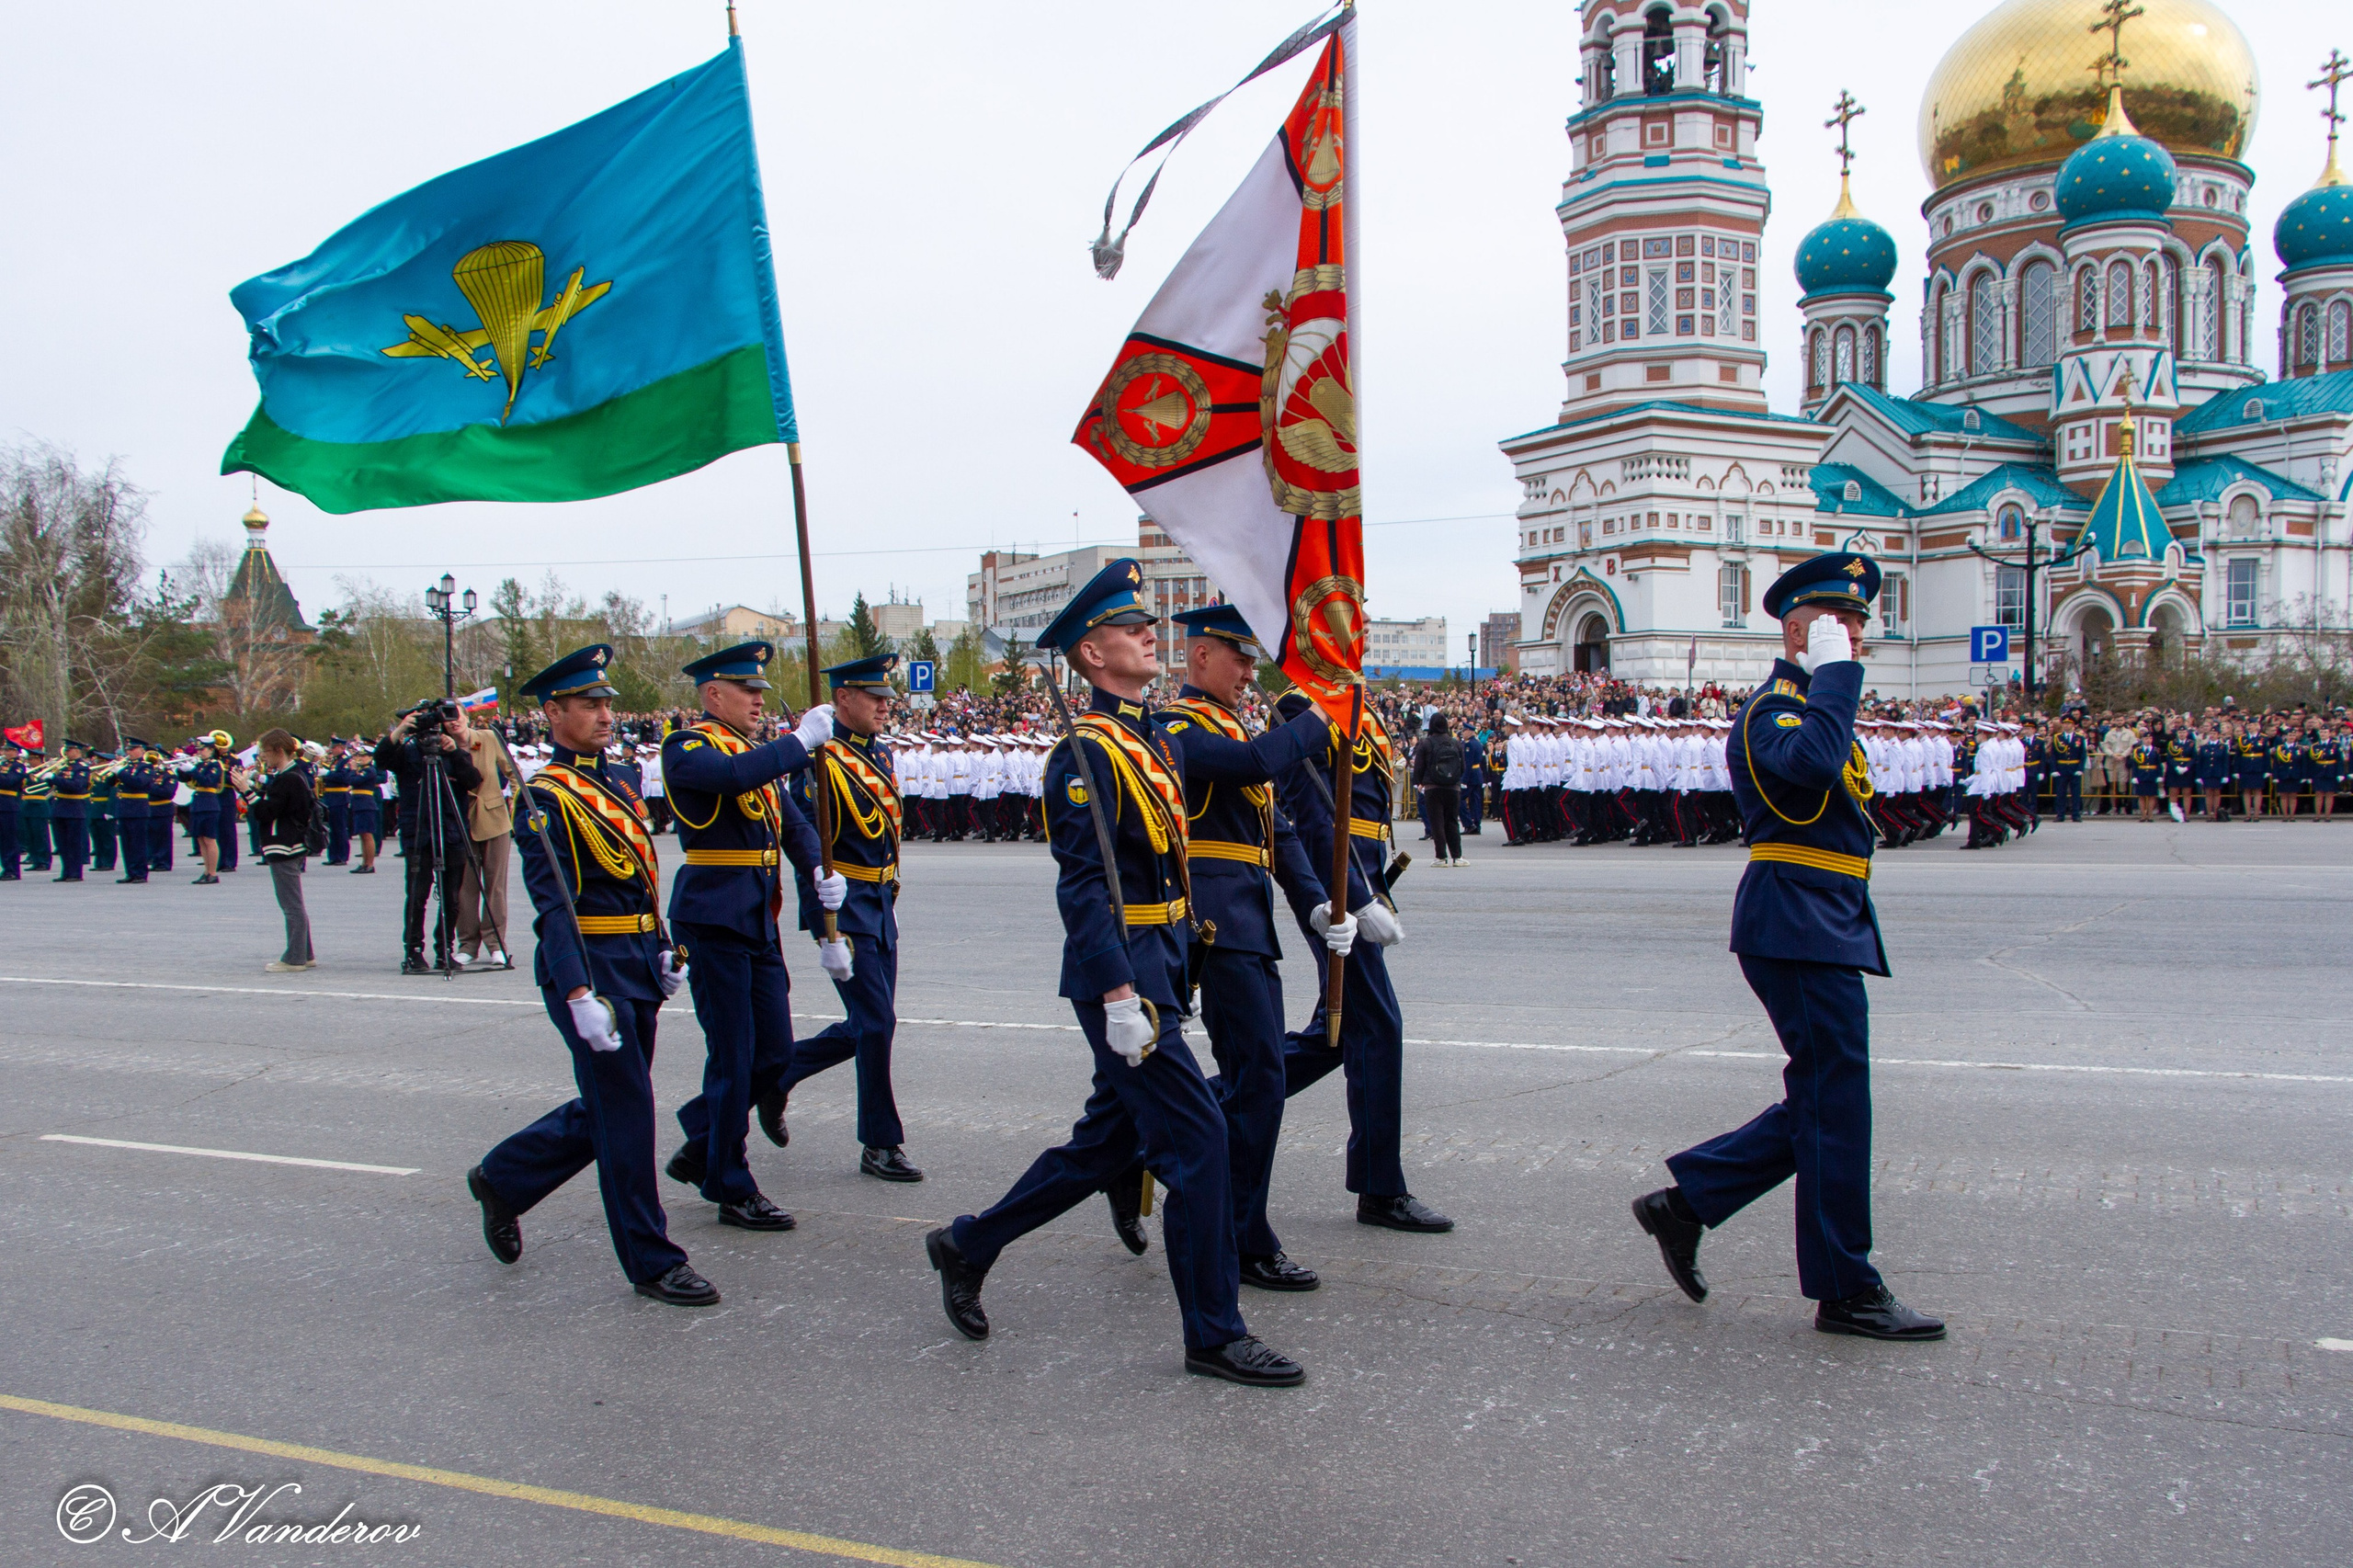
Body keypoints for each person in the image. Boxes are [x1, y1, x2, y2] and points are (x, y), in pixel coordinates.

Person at [925, 559, 1306, 1387]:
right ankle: (1213, 1331)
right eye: (1130, 629)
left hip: (1163, 967)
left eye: (1145, 625)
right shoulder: (1085, 753)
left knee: (1109, 1142)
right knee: (1201, 1139)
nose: (1147, 635)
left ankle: (969, 1243)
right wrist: (1118, 992)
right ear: (1092, 657)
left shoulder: (1147, 737)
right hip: (1124, 980)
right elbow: (1084, 885)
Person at [1631, 551, 1943, 1342]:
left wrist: (1834, 680)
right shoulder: (1777, 710)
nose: (1859, 648)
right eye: (1846, 631)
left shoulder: (1812, 701)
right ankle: (1846, 1288)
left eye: (1861, 634)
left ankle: (1689, 1201)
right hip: (1795, 920)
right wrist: (1834, 677)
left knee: (1826, 1100)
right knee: (1836, 1102)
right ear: (1802, 631)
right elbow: (1810, 767)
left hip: (1822, 917)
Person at [465, 645, 716, 1307]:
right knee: (629, 1115)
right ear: (554, 713)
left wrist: (662, 947)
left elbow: (639, 875)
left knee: (610, 1105)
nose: (606, 715)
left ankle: (504, 1177)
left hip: (632, 964)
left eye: (607, 703)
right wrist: (578, 993)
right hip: (590, 973)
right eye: (589, 705)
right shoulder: (544, 797)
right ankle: (652, 1260)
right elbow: (555, 908)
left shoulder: (620, 781)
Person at [1157, 604, 1356, 1291]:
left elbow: (1281, 832)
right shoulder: (1178, 725)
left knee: (1258, 1081)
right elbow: (1248, 767)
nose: (1249, 672)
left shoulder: (1231, 724)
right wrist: (1319, 717)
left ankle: (1149, 1149)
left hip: (1250, 917)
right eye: (1238, 658)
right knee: (1260, 1080)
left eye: (1251, 659)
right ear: (1199, 656)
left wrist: (1319, 904)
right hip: (1215, 921)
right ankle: (1244, 1235)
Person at [659, 642, 845, 1233]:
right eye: (749, 691)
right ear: (714, 695)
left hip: (755, 916)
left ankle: (703, 1143)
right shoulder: (689, 746)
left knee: (773, 1053)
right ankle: (729, 1182)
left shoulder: (755, 753)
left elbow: (794, 824)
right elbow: (733, 777)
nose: (760, 701)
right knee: (735, 1056)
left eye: (762, 691)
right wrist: (798, 745)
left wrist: (819, 869)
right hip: (712, 919)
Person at [1273, 687, 1452, 1234]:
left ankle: (1174, 1114)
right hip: (1339, 897)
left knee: (1337, 1037)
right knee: (1378, 1027)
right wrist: (1356, 897)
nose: (1362, 624)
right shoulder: (1299, 707)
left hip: (1363, 877)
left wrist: (1374, 888)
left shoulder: (1354, 702)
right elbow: (1314, 818)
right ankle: (1380, 1188)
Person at [765, 653, 922, 1182]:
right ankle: (880, 1143)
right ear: (843, 700)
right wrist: (821, 918)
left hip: (878, 904)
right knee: (877, 1022)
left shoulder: (878, 756)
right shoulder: (818, 759)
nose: (884, 706)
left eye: (887, 698)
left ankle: (776, 1076)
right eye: (874, 697)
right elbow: (804, 837)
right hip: (843, 905)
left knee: (869, 1024)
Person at [375, 704, 483, 973]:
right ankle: (413, 951)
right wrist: (401, 730)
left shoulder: (451, 752)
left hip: (451, 831)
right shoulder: (407, 752)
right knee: (417, 895)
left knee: (451, 897)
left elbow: (473, 780)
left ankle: (444, 950)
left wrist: (455, 752)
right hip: (419, 832)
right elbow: (381, 758)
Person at [244, 729, 317, 972]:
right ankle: (305, 953)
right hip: (289, 843)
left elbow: (266, 812)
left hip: (284, 844)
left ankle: (295, 957)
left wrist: (247, 791)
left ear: (278, 750)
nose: (262, 756)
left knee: (290, 904)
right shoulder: (291, 775)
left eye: (264, 751)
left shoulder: (289, 778)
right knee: (294, 902)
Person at [455, 717, 519, 971]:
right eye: (447, 719)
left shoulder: (488, 738)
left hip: (494, 818)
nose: (453, 723)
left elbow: (512, 770)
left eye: (456, 715)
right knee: (465, 888)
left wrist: (516, 797)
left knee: (495, 887)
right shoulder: (444, 745)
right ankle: (467, 945)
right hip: (462, 820)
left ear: (466, 717)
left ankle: (496, 944)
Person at [1411, 714, 1466, 867]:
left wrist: (1420, 782)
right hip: (1453, 787)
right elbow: (1463, 767)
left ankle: (1441, 857)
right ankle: (1457, 856)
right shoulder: (1455, 743)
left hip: (1433, 787)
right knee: (1452, 821)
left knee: (1437, 823)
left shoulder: (1426, 743)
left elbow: (1419, 767)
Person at [2046, 714, 2086, 823]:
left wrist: (2080, 768)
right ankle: (2060, 814)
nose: (2066, 725)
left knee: (2076, 793)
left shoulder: (2079, 737)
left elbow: (2083, 755)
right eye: (2065, 723)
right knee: (2060, 793)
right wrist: (2054, 769)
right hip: (2061, 768)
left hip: (2074, 767)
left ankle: (2076, 814)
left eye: (2069, 723)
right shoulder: (2057, 737)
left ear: (2073, 725)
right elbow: (2053, 755)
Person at [0, 737, 23, 881]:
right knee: (2, 840)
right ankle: (6, 867)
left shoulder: (18, 766)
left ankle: (12, 870)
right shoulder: (3, 765)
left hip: (9, 805)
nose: (6, 752)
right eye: (5, 750)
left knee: (9, 839)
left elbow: (9, 782)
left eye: (9, 750)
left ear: (16, 752)